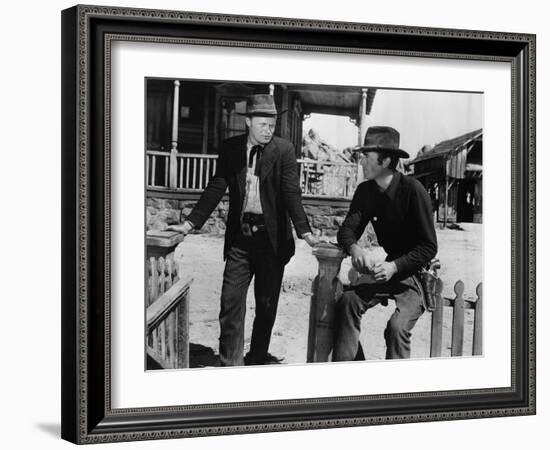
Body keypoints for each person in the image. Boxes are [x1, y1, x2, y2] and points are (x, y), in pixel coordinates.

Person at [168, 94, 318, 366]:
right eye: (262, 124)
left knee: (266, 306)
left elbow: (291, 193)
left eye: (272, 124)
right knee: (230, 304)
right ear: (248, 121)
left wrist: (304, 231)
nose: (268, 130)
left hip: (273, 242)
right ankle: (230, 365)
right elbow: (216, 187)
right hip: (241, 239)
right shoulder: (230, 148)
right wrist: (190, 223)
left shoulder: (283, 151)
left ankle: (257, 360)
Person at [334, 126, 437, 360]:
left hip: (414, 274)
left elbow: (428, 247)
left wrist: (394, 267)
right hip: (386, 270)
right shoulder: (365, 191)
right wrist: (354, 248)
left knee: (397, 328)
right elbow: (347, 231)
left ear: (385, 160)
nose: (360, 162)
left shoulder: (414, 191)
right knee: (348, 301)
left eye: (366, 157)